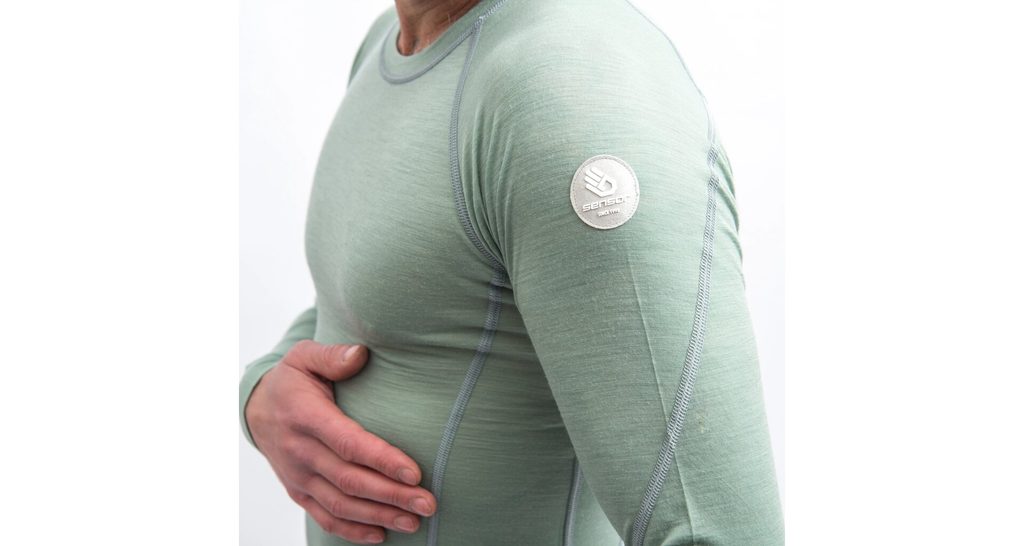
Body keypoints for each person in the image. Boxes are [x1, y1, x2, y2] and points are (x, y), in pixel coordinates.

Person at [240, 0, 784, 544]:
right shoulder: (392, 38)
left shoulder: (567, 80)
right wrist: (263, 390)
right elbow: (375, 296)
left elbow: (717, 530)